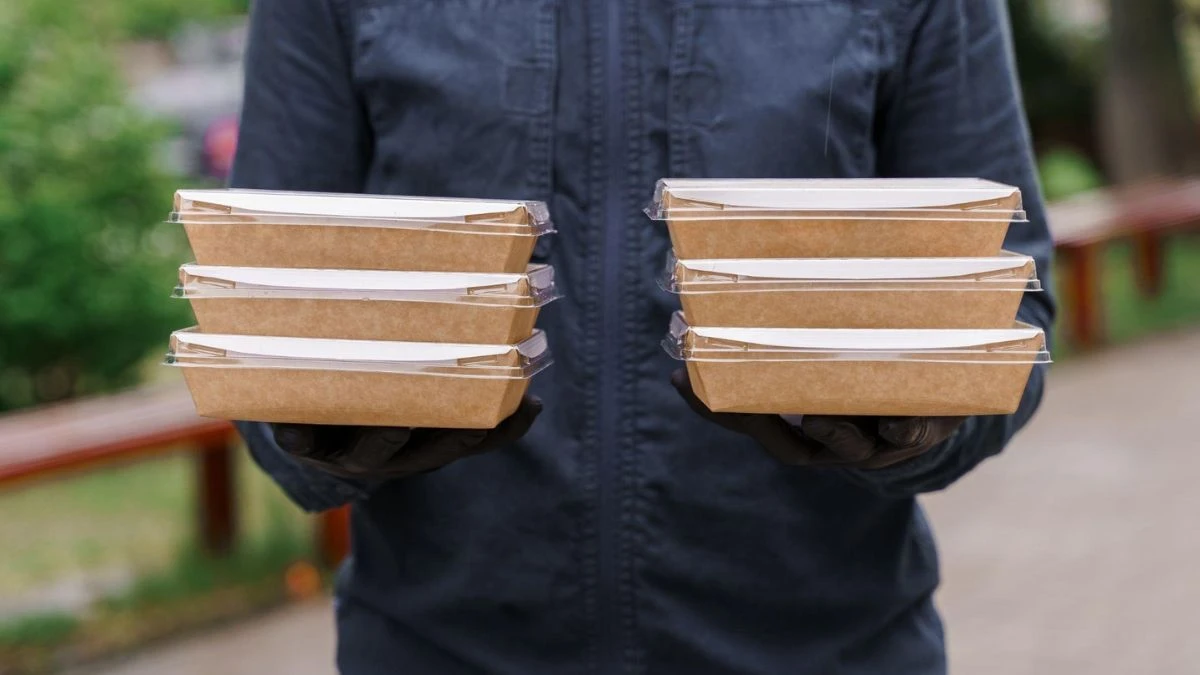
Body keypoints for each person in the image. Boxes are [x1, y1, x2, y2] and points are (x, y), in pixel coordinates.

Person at [230, 0, 1055, 672]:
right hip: (439, 647)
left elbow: (1009, 292)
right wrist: (307, 434)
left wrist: (920, 425)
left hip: (830, 646)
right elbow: (259, 292)